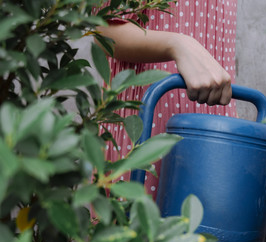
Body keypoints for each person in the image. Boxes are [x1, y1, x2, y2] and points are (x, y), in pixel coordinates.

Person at [98, 0, 238, 198]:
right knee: (139, 223)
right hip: (146, 130)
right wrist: (178, 44)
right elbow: (104, 30)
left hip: (216, 135)